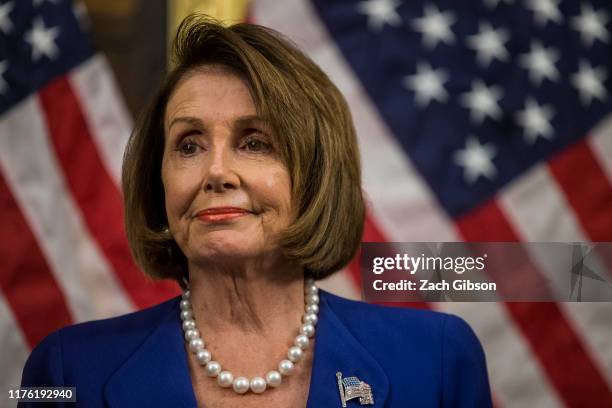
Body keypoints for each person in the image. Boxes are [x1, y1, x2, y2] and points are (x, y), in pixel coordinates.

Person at [19, 14, 493, 407]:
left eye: (254, 142)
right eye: (188, 145)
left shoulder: (438, 360)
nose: (216, 171)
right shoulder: (66, 370)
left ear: (315, 175)